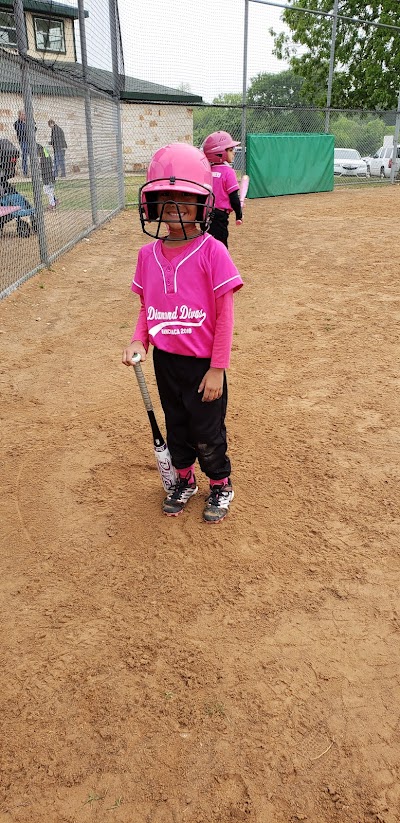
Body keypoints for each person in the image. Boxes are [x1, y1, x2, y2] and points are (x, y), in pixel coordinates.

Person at [122, 142, 243, 523]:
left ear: (203, 203)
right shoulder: (147, 256)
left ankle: (220, 484)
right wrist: (139, 339)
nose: (174, 208)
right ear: (151, 204)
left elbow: (225, 316)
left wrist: (218, 367)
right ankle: (185, 480)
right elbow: (147, 309)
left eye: (185, 199)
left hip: (203, 363)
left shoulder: (212, 252)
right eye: (165, 198)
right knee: (177, 427)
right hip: (166, 362)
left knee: (207, 431)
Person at [203, 130, 242, 248]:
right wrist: (239, 214)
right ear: (220, 153)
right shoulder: (228, 172)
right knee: (221, 247)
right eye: (230, 150)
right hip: (220, 218)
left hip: (204, 215)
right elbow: (234, 198)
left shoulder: (206, 171)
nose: (233, 153)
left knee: (207, 245)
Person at [37, 144, 57, 210]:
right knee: (50, 190)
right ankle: (54, 201)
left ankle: (52, 204)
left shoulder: (44, 158)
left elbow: (45, 169)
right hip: (50, 176)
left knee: (47, 190)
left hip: (48, 177)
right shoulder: (46, 154)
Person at [13, 110, 29, 177]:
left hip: (30, 141)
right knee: (25, 156)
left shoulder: (28, 121)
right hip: (23, 141)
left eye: (25, 114)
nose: (24, 115)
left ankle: (33, 171)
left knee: (33, 156)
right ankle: (25, 173)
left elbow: (34, 128)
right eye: (22, 114)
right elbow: (22, 132)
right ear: (19, 115)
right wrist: (27, 127)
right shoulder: (17, 123)